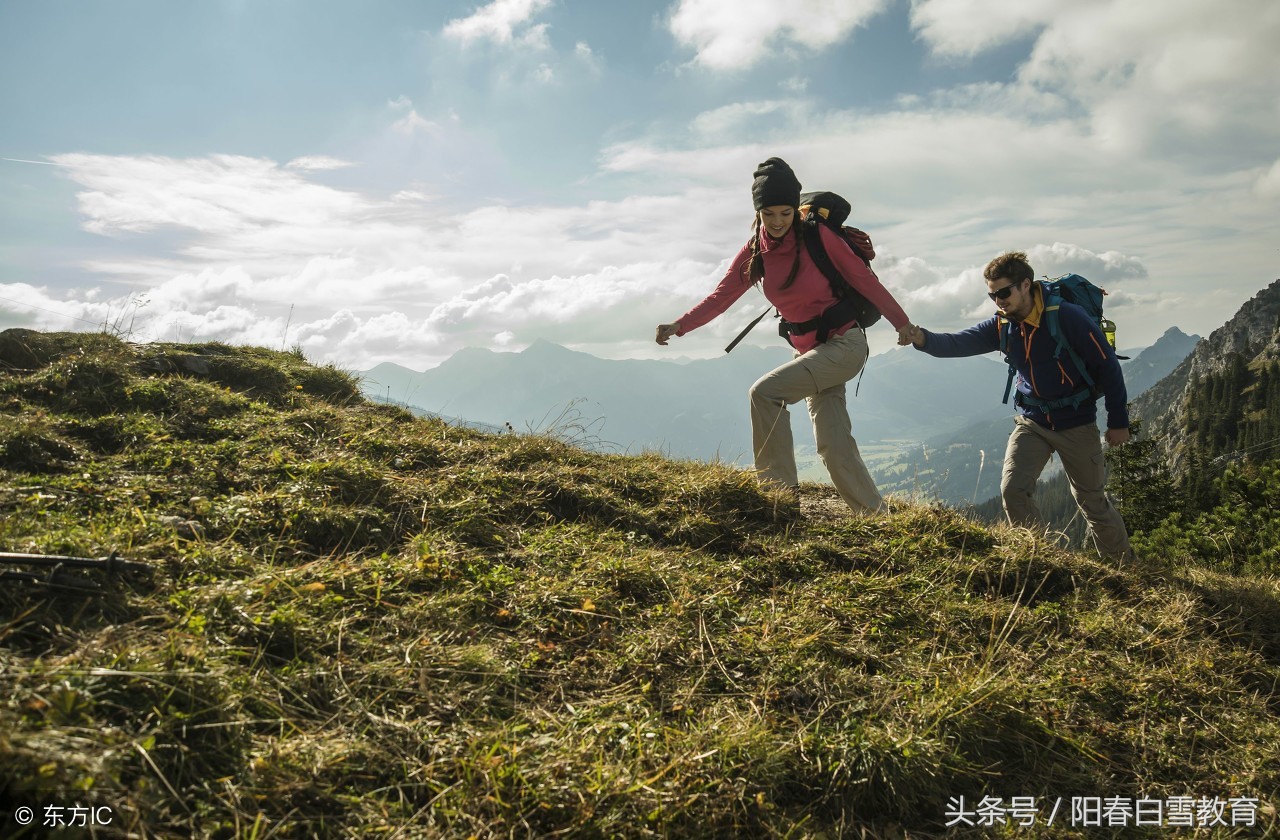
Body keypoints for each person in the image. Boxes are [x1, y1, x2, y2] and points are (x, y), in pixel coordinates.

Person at [655, 157, 916, 515]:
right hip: (810, 353)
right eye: (769, 214)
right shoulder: (754, 252)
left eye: (785, 213)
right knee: (833, 444)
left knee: (765, 393)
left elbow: (863, 279)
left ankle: (778, 502)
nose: (777, 222)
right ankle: (876, 517)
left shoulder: (818, 237)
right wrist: (679, 325)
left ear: (795, 210)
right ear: (758, 213)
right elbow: (721, 297)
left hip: (844, 345)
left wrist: (901, 322)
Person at [901, 251, 1134, 561]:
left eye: (1003, 292)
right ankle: (1040, 560)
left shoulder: (1066, 317)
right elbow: (958, 343)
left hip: (1076, 422)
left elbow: (1108, 367)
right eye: (992, 294)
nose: (998, 300)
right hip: (1033, 422)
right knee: (1013, 491)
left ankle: (1124, 566)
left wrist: (1118, 422)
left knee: (1091, 501)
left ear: (1026, 285)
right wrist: (921, 338)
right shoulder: (1003, 325)